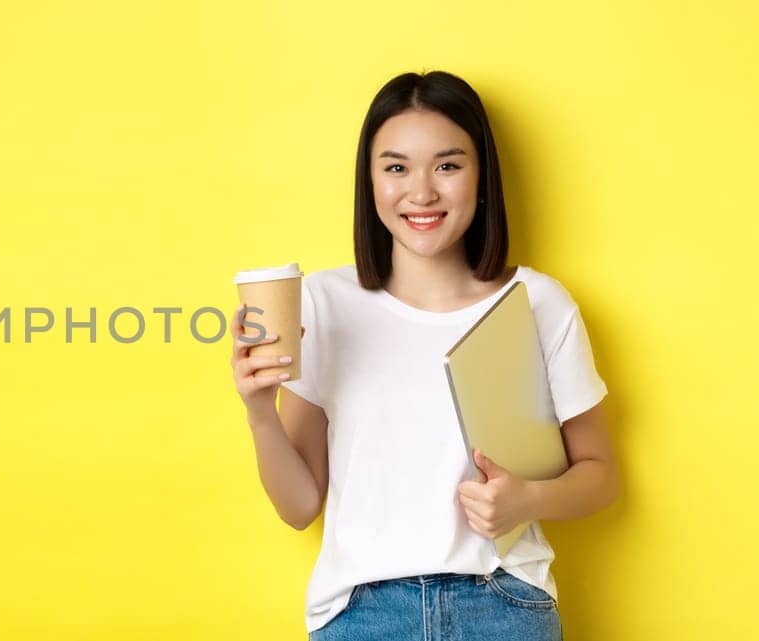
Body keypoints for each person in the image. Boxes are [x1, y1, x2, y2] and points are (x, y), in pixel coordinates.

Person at [230, 71, 621, 640]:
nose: (421, 192)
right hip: (360, 615)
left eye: (448, 164)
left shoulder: (538, 303)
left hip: (503, 605)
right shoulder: (322, 302)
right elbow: (299, 507)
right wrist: (260, 411)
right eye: (395, 168)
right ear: (370, 183)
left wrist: (526, 500)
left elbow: (601, 476)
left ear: (482, 175)